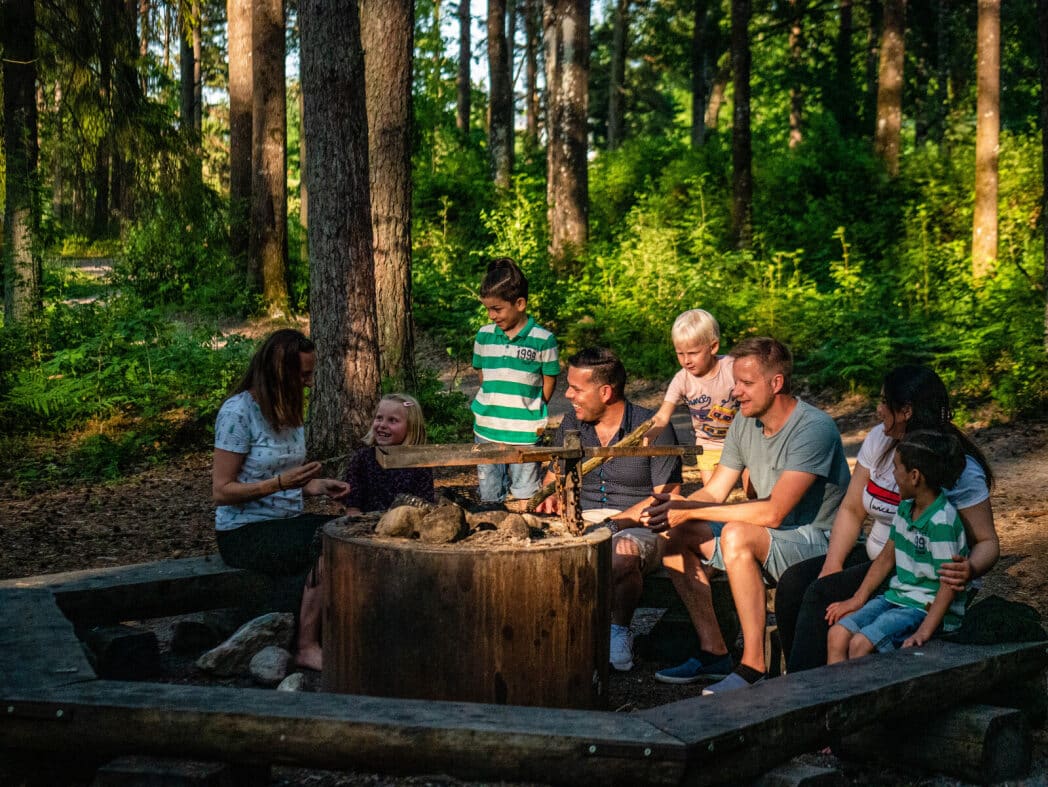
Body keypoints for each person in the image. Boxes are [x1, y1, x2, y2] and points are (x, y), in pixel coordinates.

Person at [641, 337, 851, 693]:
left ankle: (752, 665)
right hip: (772, 537)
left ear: (777, 383)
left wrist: (692, 510)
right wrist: (676, 509)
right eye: (734, 382)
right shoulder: (743, 422)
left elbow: (774, 512)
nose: (735, 392)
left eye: (745, 383)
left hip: (820, 544)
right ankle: (715, 653)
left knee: (737, 533)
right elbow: (716, 489)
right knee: (675, 535)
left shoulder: (814, 428)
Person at [775, 365, 997, 672]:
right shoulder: (881, 440)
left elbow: (987, 542)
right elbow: (853, 509)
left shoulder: (956, 467)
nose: (878, 410)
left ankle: (809, 697)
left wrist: (969, 569)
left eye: (883, 402)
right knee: (793, 582)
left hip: (918, 574)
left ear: (905, 410)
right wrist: (833, 564)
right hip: (882, 556)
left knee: (819, 596)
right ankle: (796, 680)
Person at [534, 347, 682, 672]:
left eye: (575, 388)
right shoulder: (573, 421)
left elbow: (666, 498)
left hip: (639, 523)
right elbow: (554, 476)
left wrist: (614, 525)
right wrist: (553, 498)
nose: (567, 394)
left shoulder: (651, 427)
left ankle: (618, 630)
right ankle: (556, 632)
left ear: (605, 391)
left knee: (621, 553)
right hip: (583, 517)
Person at [211, 329, 349, 668]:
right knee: (327, 542)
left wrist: (312, 485)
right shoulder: (237, 413)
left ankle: (343, 629)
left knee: (351, 530)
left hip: (286, 522)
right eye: (303, 374)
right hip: (245, 532)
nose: (309, 382)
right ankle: (305, 645)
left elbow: (280, 476)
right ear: (279, 372)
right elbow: (222, 491)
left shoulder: (287, 409)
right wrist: (279, 483)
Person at [296, 393, 437, 670]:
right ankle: (316, 641)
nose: (382, 425)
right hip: (365, 530)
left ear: (412, 428)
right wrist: (365, 532)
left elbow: (424, 507)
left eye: (393, 421)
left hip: (405, 532)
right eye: (379, 418)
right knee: (330, 561)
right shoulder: (363, 459)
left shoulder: (420, 463)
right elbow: (353, 505)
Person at [826, 430, 968, 662]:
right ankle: (837, 698)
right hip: (897, 596)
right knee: (837, 634)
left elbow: (948, 584)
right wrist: (857, 599)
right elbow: (885, 559)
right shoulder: (905, 509)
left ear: (914, 476)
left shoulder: (941, 522)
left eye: (896, 468)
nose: (892, 475)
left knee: (860, 645)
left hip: (925, 609)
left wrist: (924, 631)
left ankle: (864, 698)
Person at [471, 257, 559, 505]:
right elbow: (482, 374)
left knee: (525, 494)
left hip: (525, 432)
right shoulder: (484, 336)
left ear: (519, 303)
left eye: (497, 309)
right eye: (487, 309)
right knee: (490, 494)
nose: (491, 315)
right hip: (487, 429)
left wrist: (534, 406)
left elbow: (549, 379)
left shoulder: (543, 339)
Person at [645, 309, 738, 485]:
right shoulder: (682, 379)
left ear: (713, 347)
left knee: (753, 491)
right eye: (680, 353)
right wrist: (649, 435)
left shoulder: (732, 368)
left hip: (743, 441)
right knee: (711, 497)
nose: (686, 360)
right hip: (708, 443)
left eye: (693, 353)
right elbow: (663, 415)